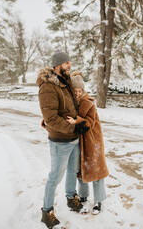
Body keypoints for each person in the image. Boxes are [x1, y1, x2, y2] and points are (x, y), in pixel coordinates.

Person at [36, 52, 89, 229]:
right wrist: (74, 127)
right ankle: (47, 211)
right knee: (55, 176)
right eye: (67, 62)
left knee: (72, 172)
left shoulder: (65, 82)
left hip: (73, 138)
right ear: (58, 65)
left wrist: (79, 124)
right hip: (60, 141)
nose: (70, 65)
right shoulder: (47, 86)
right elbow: (51, 118)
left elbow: (72, 108)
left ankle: (71, 198)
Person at [67, 71, 109, 215]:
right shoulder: (70, 103)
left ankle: (99, 201)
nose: (77, 93)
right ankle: (83, 195)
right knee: (80, 171)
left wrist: (76, 120)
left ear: (83, 90)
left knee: (96, 171)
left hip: (92, 140)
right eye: (75, 91)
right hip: (78, 142)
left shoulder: (88, 103)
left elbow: (89, 123)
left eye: (79, 90)